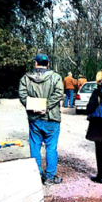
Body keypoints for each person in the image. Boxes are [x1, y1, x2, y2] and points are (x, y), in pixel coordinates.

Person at [18, 53, 64, 185]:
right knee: (51, 148)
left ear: (35, 63)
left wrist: (36, 106)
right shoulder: (56, 77)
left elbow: (22, 95)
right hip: (52, 117)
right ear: (48, 64)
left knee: (35, 147)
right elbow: (59, 93)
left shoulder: (25, 78)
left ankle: (36, 175)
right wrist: (46, 106)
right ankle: (49, 177)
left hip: (34, 118)